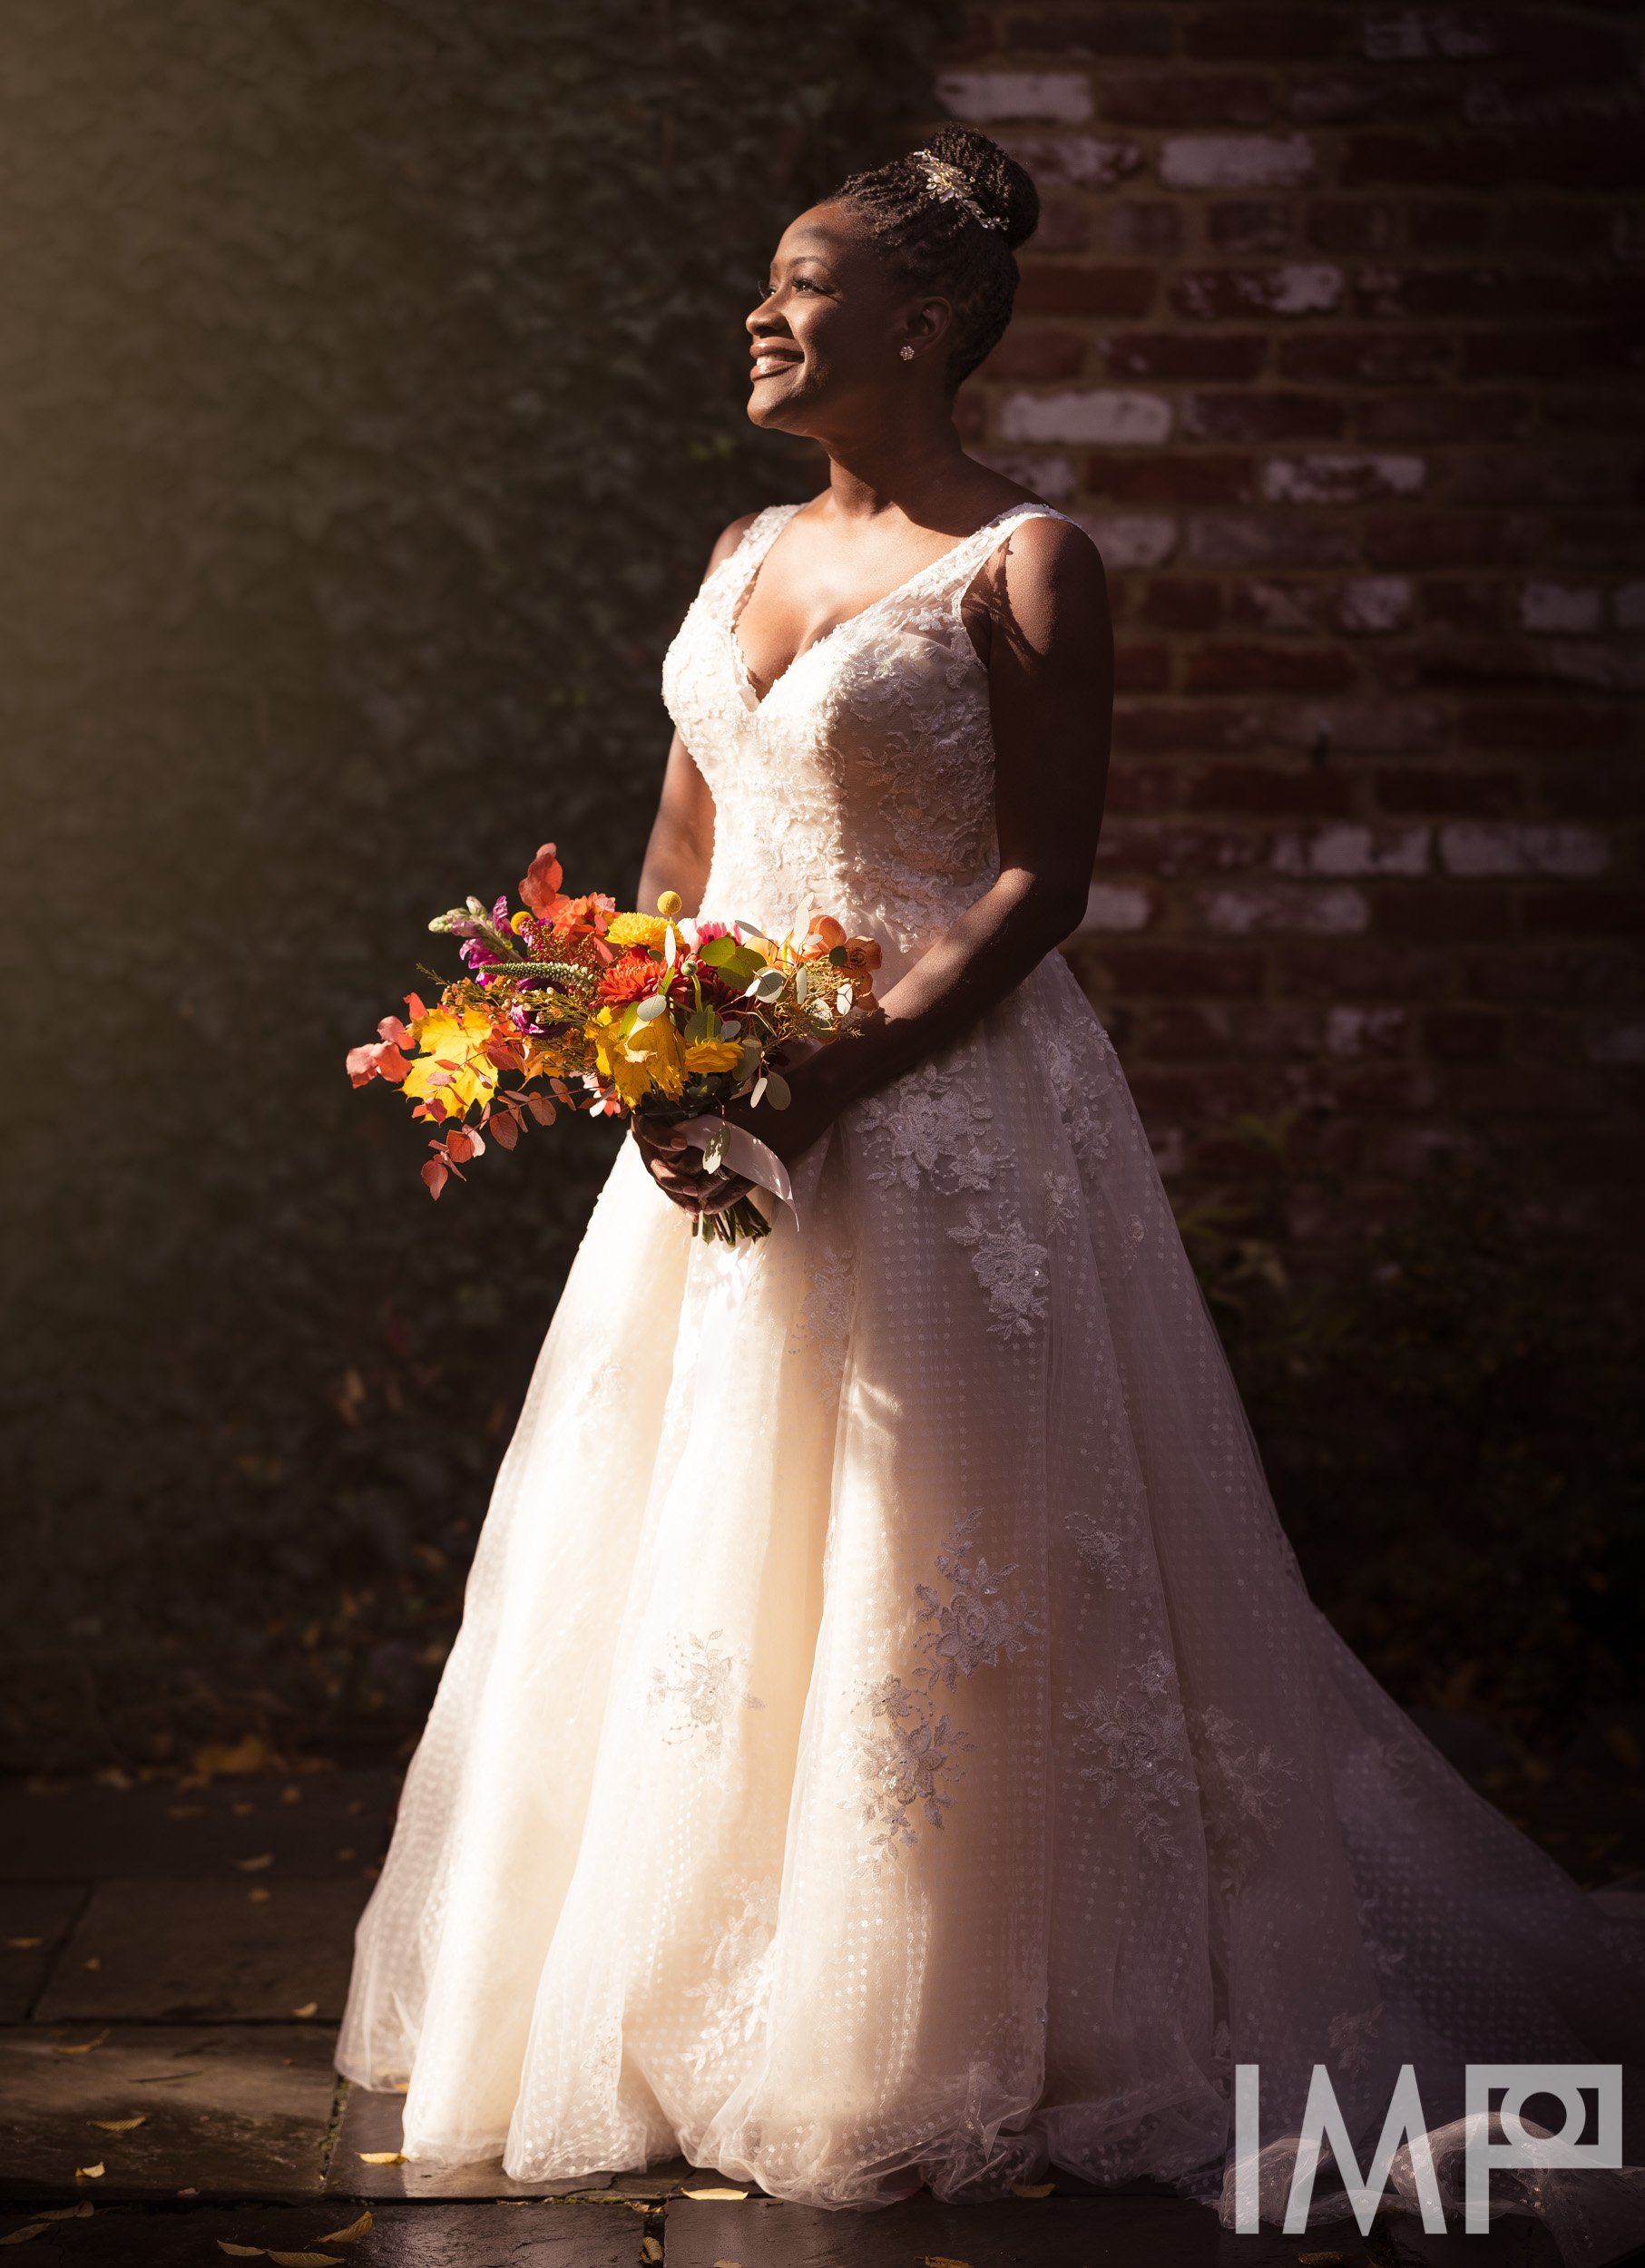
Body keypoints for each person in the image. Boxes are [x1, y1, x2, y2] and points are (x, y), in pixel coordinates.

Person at [338, 125, 1645, 2253]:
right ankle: (679, 1998)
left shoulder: (1030, 561)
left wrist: (836, 1076)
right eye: (766, 285)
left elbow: (1042, 876)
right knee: (697, 1555)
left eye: (800, 283)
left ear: (922, 322)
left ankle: (944, 2018)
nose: (760, 313)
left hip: (945, 1135)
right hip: (717, 1134)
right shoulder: (734, 543)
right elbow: (678, 860)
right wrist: (625, 1053)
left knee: (926, 1564)